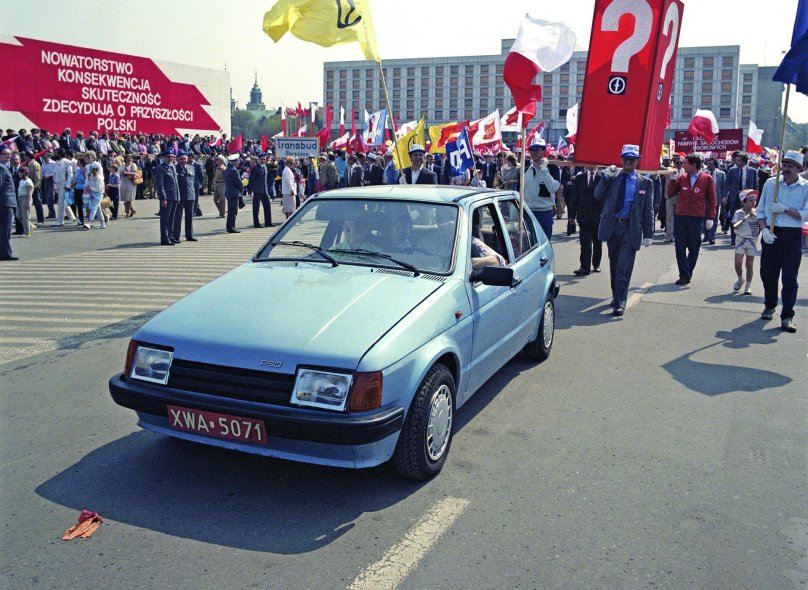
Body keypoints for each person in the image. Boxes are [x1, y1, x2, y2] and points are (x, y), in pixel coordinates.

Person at [594, 144, 655, 316]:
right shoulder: (613, 178)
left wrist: (649, 234)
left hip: (631, 228)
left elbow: (648, 210)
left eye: (632, 159)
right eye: (625, 158)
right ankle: (616, 296)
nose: (628, 162)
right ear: (621, 159)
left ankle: (620, 301)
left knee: (624, 267)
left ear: (637, 161)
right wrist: (605, 178)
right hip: (612, 226)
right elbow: (597, 195)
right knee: (614, 265)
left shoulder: (645, 182)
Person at [756, 150, 808, 333]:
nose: (785, 168)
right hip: (771, 233)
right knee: (768, 274)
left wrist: (786, 210)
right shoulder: (771, 183)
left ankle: (787, 316)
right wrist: (763, 229)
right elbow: (760, 211)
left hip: (792, 235)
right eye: (784, 164)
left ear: (799, 169)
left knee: (789, 278)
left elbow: (806, 214)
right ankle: (770, 304)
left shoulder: (805, 187)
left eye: (790, 166)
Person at [665, 153, 717, 285]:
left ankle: (688, 271)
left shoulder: (707, 178)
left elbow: (712, 200)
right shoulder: (681, 178)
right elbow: (670, 194)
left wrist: (710, 217)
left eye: (686, 163)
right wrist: (672, 180)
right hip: (681, 216)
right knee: (680, 247)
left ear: (694, 165)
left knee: (694, 247)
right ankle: (684, 274)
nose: (683, 165)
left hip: (696, 218)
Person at [523, 138, 560, 240]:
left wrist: (544, 170)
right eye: (532, 150)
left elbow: (553, 188)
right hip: (528, 212)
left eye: (537, 150)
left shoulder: (552, 168)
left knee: (544, 241)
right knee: (529, 244)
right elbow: (519, 191)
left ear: (544, 152)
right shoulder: (525, 170)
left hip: (544, 212)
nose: (534, 153)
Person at [571, 165, 603, 276]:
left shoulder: (603, 177)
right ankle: (584, 267)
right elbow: (575, 197)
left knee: (597, 242)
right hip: (583, 216)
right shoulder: (580, 178)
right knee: (585, 243)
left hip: (598, 217)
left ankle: (596, 264)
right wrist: (571, 216)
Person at [725, 152, 759, 245]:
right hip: (734, 197)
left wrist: (755, 198)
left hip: (748, 197)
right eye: (736, 160)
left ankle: (747, 236)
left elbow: (756, 185)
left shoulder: (753, 171)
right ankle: (734, 239)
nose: (736, 161)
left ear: (744, 161)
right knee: (734, 217)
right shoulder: (732, 170)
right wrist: (725, 196)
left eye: (738, 160)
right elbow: (727, 183)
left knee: (748, 217)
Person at [731, 189, 760, 295]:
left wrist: (755, 215)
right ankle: (740, 279)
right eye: (750, 200)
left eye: (755, 200)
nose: (753, 203)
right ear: (743, 202)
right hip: (740, 240)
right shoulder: (738, 213)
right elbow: (736, 225)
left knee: (749, 264)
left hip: (752, 241)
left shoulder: (758, 212)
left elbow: (761, 224)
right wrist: (746, 217)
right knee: (738, 263)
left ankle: (748, 286)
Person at [155, 150, 180, 245]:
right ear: (164, 157)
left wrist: (178, 196)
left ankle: (170, 236)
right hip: (167, 197)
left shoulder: (173, 166)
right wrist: (163, 198)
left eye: (172, 156)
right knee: (165, 219)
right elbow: (160, 185)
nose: (171, 158)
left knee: (172, 218)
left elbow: (176, 183)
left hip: (174, 196)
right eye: (168, 156)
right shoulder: (161, 168)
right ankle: (165, 238)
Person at [173, 151, 197, 242]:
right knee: (178, 217)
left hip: (190, 195)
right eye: (181, 159)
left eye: (185, 159)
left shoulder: (192, 168)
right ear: (178, 159)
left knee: (189, 217)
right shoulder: (175, 168)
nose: (183, 160)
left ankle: (189, 235)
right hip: (180, 196)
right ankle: (176, 236)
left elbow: (194, 181)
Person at [702, 156, 726, 244]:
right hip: (704, 200)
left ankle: (712, 236)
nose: (709, 166)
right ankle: (706, 235)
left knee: (714, 218)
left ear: (715, 165)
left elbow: (724, 187)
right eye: (708, 164)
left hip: (716, 200)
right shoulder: (703, 174)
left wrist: (724, 197)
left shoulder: (721, 174)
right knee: (704, 218)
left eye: (711, 164)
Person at [0, 150, 16, 260]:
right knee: (5, 229)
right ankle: (5, 253)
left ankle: (4, 252)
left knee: (5, 229)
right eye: (5, 154)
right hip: (5, 202)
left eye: (9, 154)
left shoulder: (4, 166)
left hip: (7, 201)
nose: (8, 156)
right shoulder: (1, 167)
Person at [249, 154, 272, 227]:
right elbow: (251, 180)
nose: (263, 160)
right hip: (257, 191)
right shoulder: (255, 168)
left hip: (264, 190)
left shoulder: (265, 167)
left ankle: (268, 222)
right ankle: (256, 223)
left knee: (267, 206)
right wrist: (253, 189)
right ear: (259, 159)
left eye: (264, 159)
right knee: (256, 208)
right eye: (261, 159)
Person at [224, 153, 243, 233]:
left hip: (229, 192)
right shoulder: (234, 171)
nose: (238, 162)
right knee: (233, 211)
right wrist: (242, 188)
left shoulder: (227, 169)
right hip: (234, 193)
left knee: (230, 211)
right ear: (234, 162)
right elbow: (238, 183)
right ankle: (231, 227)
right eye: (238, 161)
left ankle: (229, 227)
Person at [84, 162, 106, 229]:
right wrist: (88, 179)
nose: (91, 171)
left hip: (98, 195)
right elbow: (90, 184)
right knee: (98, 209)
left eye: (93, 169)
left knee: (93, 208)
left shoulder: (99, 178)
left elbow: (98, 188)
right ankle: (103, 223)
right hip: (93, 194)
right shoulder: (92, 176)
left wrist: (90, 188)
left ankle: (90, 223)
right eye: (91, 169)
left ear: (96, 170)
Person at [16, 166, 34, 237]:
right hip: (20, 198)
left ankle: (27, 233)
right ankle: (30, 225)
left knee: (25, 216)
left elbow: (29, 194)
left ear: (24, 173)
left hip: (25, 198)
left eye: (20, 173)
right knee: (18, 215)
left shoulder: (28, 182)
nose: (19, 174)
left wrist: (29, 203)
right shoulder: (21, 181)